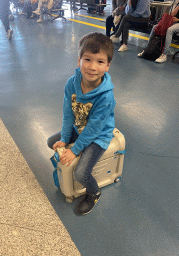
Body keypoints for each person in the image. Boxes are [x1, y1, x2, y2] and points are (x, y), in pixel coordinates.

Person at [47, 32, 115, 215]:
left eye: (100, 62)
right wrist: (64, 138)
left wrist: (75, 149)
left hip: (98, 136)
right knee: (51, 141)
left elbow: (94, 129)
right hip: (80, 127)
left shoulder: (106, 96)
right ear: (79, 61)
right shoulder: (72, 83)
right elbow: (68, 113)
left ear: (107, 66)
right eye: (88, 59)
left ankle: (94, 192)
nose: (93, 67)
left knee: (80, 173)